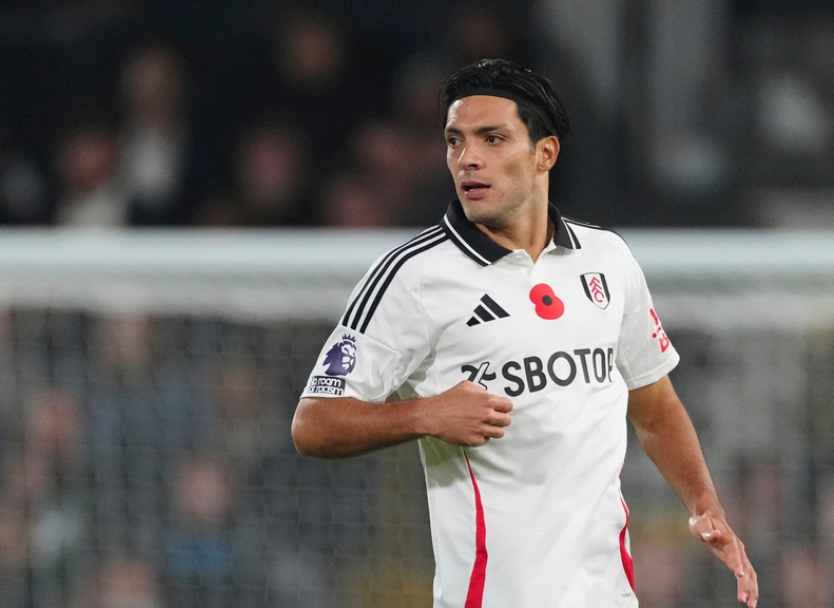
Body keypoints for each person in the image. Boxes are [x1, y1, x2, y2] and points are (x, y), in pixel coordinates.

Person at [291, 58, 757, 608]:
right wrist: (425, 414)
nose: (469, 159)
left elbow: (654, 405)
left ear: (545, 153)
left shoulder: (606, 259)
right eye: (454, 141)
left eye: (492, 138)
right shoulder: (412, 276)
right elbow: (313, 423)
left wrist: (705, 504)